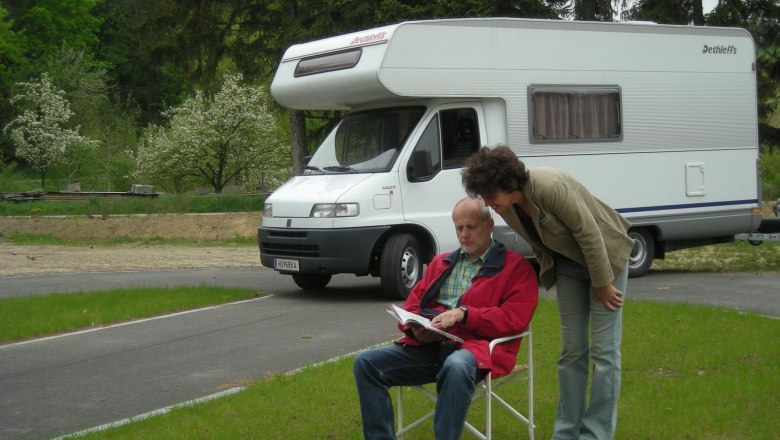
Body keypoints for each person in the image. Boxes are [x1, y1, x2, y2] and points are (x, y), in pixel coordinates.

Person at [461, 146, 634, 440]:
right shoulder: (508, 206)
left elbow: (589, 233)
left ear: (505, 181)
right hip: (568, 265)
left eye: (490, 194)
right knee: (572, 351)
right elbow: (538, 239)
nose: (488, 202)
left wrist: (603, 284)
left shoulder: (549, 186)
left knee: (604, 352)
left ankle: (596, 433)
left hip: (606, 259)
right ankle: (565, 433)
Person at [353, 197, 538, 440]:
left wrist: (465, 314)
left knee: (457, 365)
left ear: (490, 226)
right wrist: (415, 329)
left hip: (478, 351)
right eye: (459, 228)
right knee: (366, 362)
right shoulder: (441, 262)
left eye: (471, 227)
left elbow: (514, 318)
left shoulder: (515, 268)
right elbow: (413, 305)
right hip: (429, 346)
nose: (464, 234)